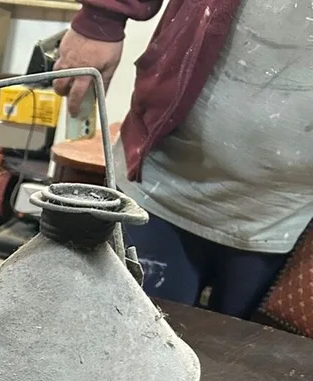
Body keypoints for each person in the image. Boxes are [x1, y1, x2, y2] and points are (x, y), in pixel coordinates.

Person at [53, 0, 313, 319]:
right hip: (164, 180)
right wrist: (102, 17)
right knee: (121, 342)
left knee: (249, 361)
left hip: (292, 215)